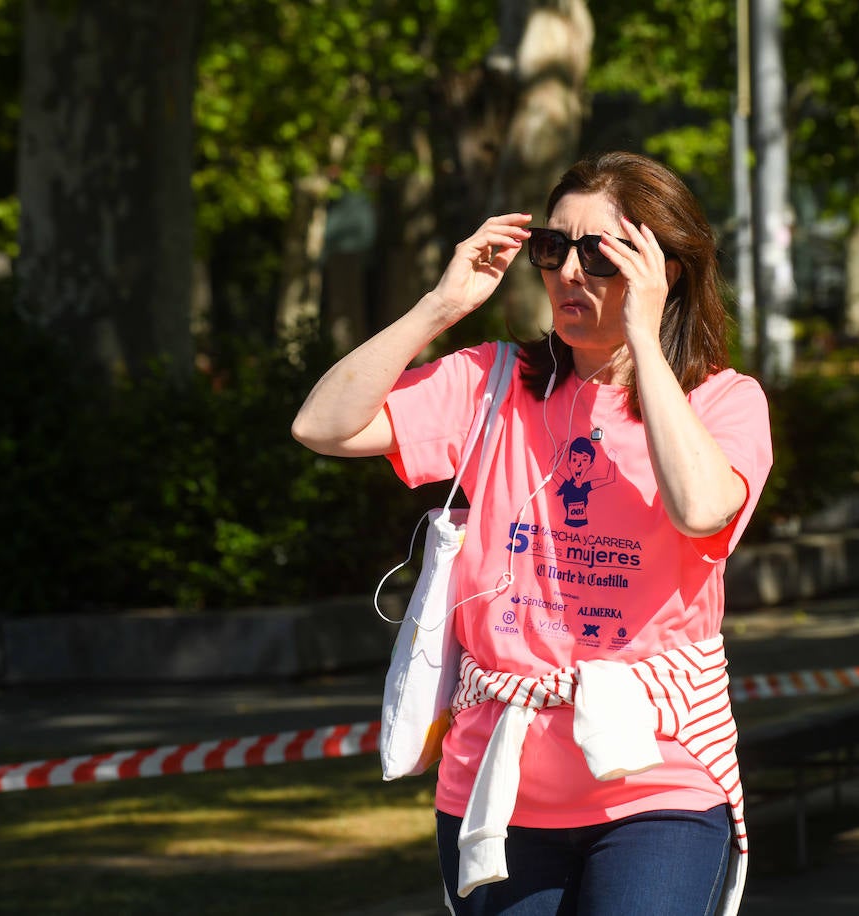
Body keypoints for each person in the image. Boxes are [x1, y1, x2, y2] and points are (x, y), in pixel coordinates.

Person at [291, 151, 773, 916]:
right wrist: (438, 308)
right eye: (553, 249)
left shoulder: (722, 402)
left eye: (600, 254)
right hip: (499, 786)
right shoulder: (493, 382)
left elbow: (701, 510)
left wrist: (644, 342)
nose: (567, 273)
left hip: (659, 781)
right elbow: (320, 425)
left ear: (664, 270)